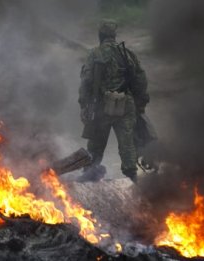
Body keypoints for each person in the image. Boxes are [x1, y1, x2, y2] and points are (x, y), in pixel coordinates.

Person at [78, 19, 149, 182]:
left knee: (96, 143)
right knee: (127, 143)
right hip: (126, 103)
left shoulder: (95, 54)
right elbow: (141, 80)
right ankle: (132, 176)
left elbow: (86, 81)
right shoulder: (127, 53)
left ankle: (90, 174)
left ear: (100, 35)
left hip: (102, 105)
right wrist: (140, 103)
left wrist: (84, 104)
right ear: (114, 36)